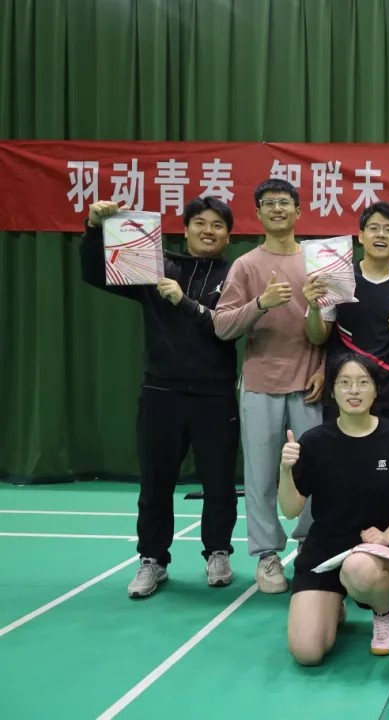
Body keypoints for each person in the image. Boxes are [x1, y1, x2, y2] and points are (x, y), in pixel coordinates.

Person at [79, 197, 240, 599]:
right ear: (184, 230)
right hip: (161, 393)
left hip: (215, 395)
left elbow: (232, 326)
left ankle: (218, 551)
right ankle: (152, 558)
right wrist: (94, 229)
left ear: (228, 235)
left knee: (219, 482)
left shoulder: (236, 276)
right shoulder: (155, 267)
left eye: (217, 225)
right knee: (155, 483)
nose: (208, 231)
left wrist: (185, 302)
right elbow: (96, 273)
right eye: (199, 223)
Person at [213, 178, 326, 594]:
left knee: (314, 471)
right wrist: (261, 303)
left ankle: (311, 545)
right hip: (260, 384)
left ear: (299, 211)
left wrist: (323, 369)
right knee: (260, 475)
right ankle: (266, 555)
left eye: (284, 202)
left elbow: (329, 329)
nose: (277, 208)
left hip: (308, 383)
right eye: (268, 203)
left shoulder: (317, 261)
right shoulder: (245, 266)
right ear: (258, 213)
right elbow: (222, 326)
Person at [279, 353, 389, 664]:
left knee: (359, 569)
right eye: (344, 383)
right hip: (324, 553)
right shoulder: (314, 441)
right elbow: (290, 509)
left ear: (376, 390)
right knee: (307, 653)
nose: (354, 391)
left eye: (362, 383)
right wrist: (285, 470)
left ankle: (383, 614)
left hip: (375, 553)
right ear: (332, 390)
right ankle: (335, 604)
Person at [303, 201, 389, 433]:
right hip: (344, 390)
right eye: (373, 228)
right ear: (360, 236)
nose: (381, 234)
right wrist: (314, 308)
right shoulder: (337, 278)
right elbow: (317, 337)